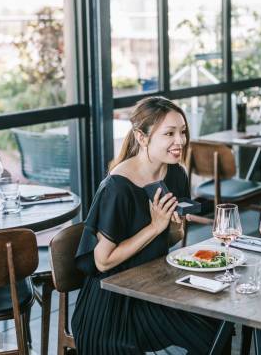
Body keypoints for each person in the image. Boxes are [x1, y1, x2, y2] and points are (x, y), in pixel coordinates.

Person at [71, 96, 218, 354]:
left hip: (153, 285)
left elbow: (173, 236)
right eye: (169, 133)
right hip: (111, 303)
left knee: (215, 328)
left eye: (182, 132)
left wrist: (172, 227)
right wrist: (154, 226)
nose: (180, 141)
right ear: (142, 137)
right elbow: (103, 261)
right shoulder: (117, 188)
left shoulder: (175, 174)